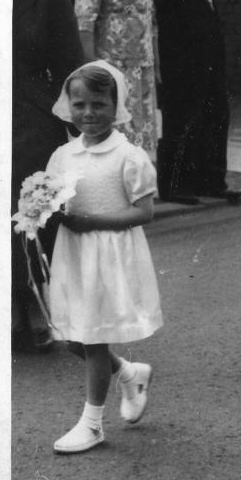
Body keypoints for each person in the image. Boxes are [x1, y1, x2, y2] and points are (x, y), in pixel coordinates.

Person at [46, 61, 161, 453]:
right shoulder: (63, 155)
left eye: (99, 104)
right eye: (79, 105)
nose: (89, 113)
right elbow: (50, 200)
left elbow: (143, 212)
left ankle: (92, 424)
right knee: (73, 338)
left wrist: (93, 220)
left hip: (110, 256)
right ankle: (130, 373)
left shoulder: (128, 157)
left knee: (92, 340)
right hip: (74, 255)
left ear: (117, 105)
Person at [12, 0, 85, 351]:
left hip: (32, 120)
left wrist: (82, 134)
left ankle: (34, 310)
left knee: (29, 216)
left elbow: (69, 67)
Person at [146, 0, 241, 205]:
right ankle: (174, 185)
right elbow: (158, 19)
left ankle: (211, 181)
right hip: (180, 60)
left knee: (214, 116)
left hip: (208, 57)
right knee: (181, 121)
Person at [75, 0, 158, 161]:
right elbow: (84, 21)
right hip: (112, 66)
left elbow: (150, 18)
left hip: (140, 66)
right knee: (113, 126)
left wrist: (155, 62)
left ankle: (135, 182)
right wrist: (91, 67)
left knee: (138, 127)